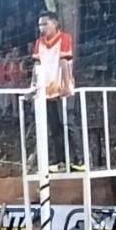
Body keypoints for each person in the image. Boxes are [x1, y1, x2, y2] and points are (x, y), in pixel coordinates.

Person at [32, 11, 84, 173]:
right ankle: (60, 160)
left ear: (54, 24)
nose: (42, 27)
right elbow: (36, 65)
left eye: (45, 24)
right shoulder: (39, 43)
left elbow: (65, 62)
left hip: (62, 88)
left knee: (68, 122)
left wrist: (67, 85)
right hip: (47, 90)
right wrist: (34, 85)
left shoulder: (64, 38)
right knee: (54, 127)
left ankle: (80, 159)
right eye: (40, 25)